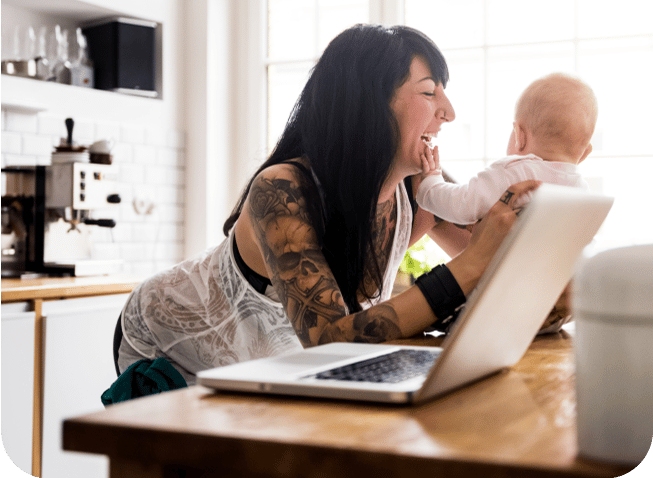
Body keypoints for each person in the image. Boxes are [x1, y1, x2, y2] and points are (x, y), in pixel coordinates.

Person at [115, 24, 540, 387]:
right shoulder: (282, 189)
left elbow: (502, 265)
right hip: (168, 340)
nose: (448, 112)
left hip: (273, 356)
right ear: (370, 104)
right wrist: (468, 267)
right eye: (429, 92)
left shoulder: (422, 190)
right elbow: (329, 340)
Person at [416, 73, 597, 225]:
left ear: (520, 136)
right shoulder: (583, 193)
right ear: (584, 154)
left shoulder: (513, 172)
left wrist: (431, 182)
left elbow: (461, 205)